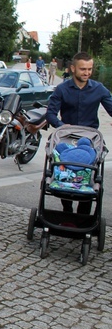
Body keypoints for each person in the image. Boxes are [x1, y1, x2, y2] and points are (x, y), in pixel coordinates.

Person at [46, 52, 112, 214]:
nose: (87, 73)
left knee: (90, 176)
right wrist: (62, 125)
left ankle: (83, 216)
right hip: (66, 139)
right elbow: (50, 114)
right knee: (64, 173)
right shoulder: (62, 89)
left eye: (90, 69)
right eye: (83, 69)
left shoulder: (98, 89)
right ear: (73, 68)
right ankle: (67, 209)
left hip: (90, 140)